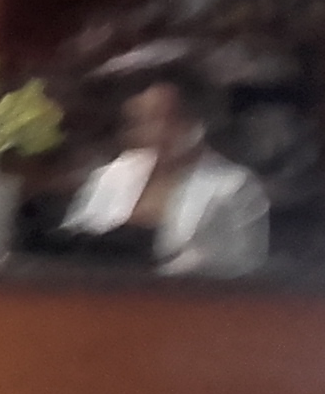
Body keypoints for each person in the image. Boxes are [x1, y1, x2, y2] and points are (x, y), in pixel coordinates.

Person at [61, 69, 268, 275]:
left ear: (198, 121)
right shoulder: (112, 175)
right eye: (140, 121)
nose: (152, 131)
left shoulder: (235, 186)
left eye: (164, 118)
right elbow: (74, 240)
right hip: (99, 288)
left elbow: (246, 264)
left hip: (191, 292)